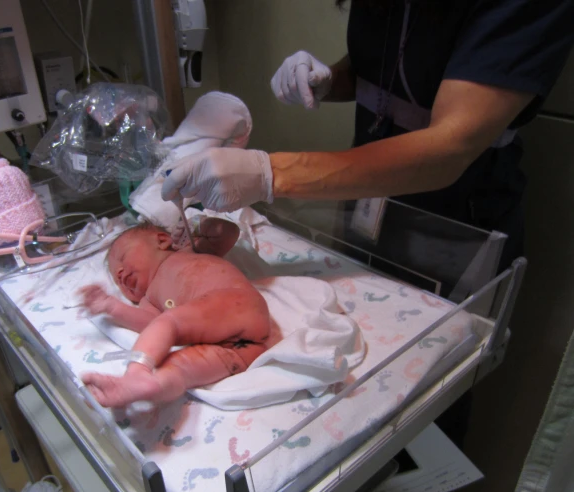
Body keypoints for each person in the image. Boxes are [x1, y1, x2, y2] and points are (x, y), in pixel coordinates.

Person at [161, 0, 574, 272]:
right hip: (369, 200)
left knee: (434, 374)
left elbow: (449, 145)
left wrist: (270, 172)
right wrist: (332, 80)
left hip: (457, 215)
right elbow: (398, 62)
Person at [78, 219, 276, 408]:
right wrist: (112, 307)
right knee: (178, 367)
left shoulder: (190, 251)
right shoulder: (149, 299)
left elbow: (227, 233)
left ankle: (137, 371)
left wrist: (202, 227)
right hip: (241, 347)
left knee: (169, 322)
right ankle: (155, 385)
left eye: (123, 258)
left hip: (236, 302)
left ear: (162, 240)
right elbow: (151, 325)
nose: (120, 274)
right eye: (116, 278)